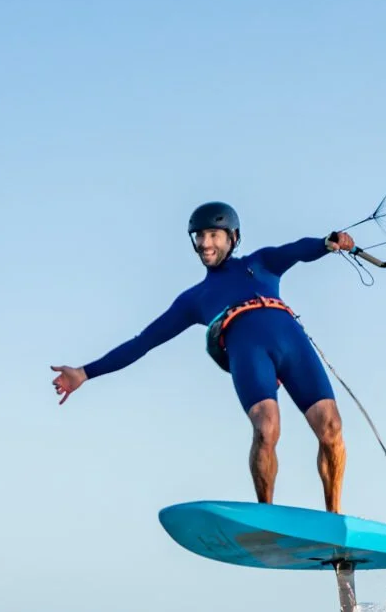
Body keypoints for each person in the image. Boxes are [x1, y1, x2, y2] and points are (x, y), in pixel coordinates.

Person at [49, 201, 357, 514]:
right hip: (249, 357)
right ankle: (267, 517)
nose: (205, 243)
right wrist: (85, 373)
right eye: (199, 236)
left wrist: (326, 243)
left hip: (293, 346)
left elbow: (296, 249)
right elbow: (143, 342)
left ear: (232, 237)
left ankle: (334, 516)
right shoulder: (194, 300)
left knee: (331, 428)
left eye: (213, 235)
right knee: (266, 428)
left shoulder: (262, 262)